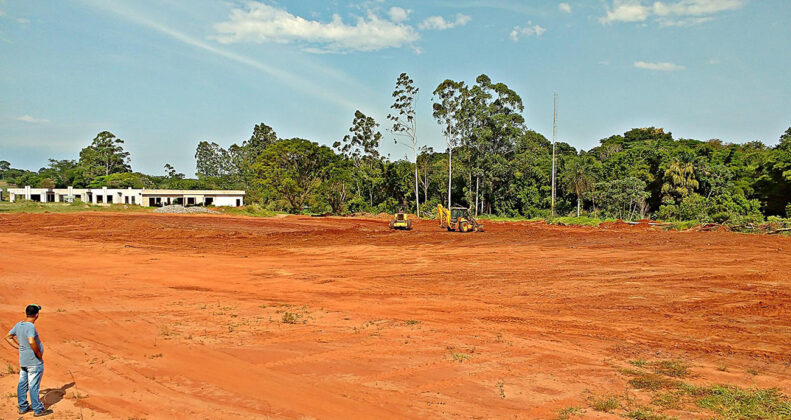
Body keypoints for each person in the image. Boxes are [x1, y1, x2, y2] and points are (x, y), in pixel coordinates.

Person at [4, 304, 53, 417]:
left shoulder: (19, 325)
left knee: (22, 384)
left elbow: (8, 337)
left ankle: (23, 407)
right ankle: (38, 409)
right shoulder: (30, 326)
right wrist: (38, 354)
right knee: (33, 385)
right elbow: (31, 341)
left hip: (24, 361)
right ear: (36, 315)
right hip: (33, 361)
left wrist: (19, 346)